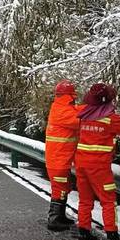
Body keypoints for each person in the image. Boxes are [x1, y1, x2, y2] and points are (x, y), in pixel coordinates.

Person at [74, 83, 120, 240]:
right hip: (99, 167)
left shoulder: (84, 115)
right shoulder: (111, 118)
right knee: (108, 201)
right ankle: (112, 236)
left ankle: (83, 230)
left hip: (81, 163)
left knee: (85, 199)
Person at [44, 79, 81, 230]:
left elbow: (77, 111)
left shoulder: (60, 107)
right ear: (70, 96)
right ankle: (54, 219)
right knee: (59, 188)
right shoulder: (63, 111)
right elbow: (80, 120)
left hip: (59, 158)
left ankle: (60, 216)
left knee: (63, 186)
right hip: (58, 160)